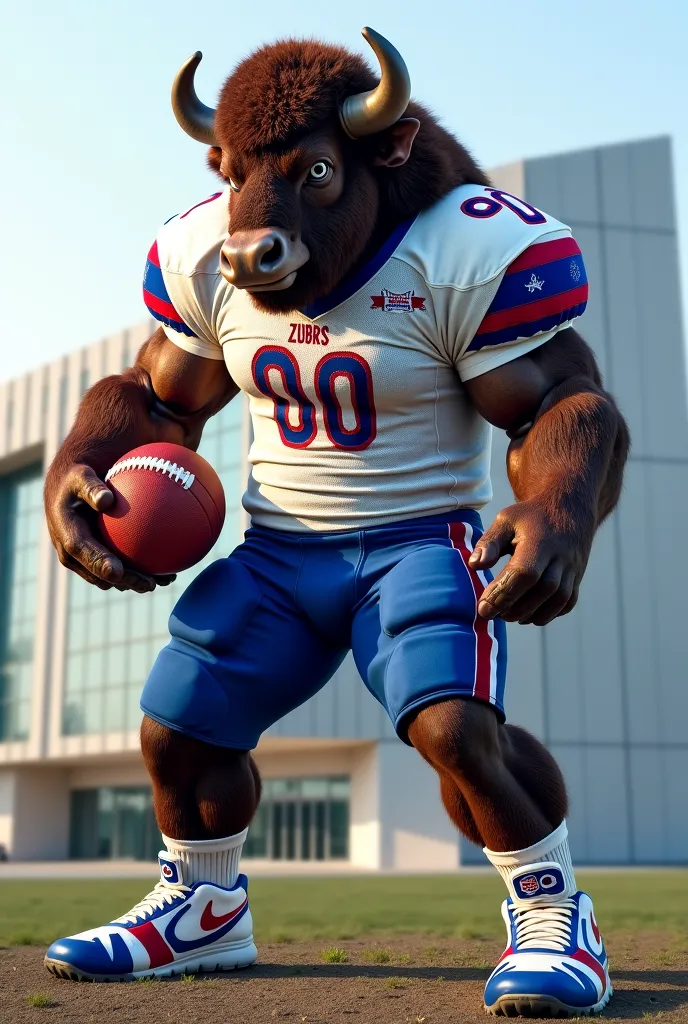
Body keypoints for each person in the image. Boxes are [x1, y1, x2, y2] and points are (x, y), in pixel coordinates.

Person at [43, 30, 628, 1016]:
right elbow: (158, 396)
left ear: (384, 152)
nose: (256, 222)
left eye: (308, 173)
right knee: (173, 730)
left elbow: (557, 402)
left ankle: (552, 907)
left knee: (453, 728)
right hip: (279, 550)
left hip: (416, 540)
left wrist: (556, 508)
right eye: (238, 176)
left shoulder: (458, 249)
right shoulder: (205, 253)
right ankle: (203, 905)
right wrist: (82, 461)